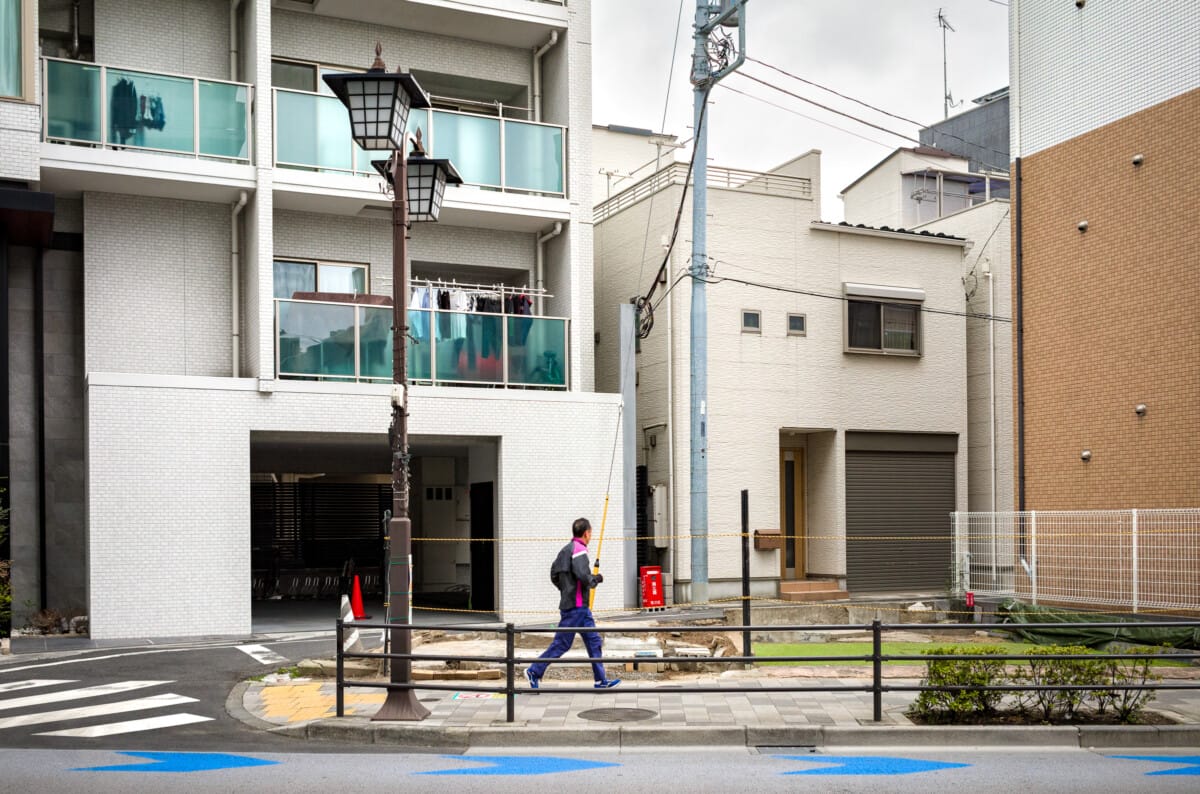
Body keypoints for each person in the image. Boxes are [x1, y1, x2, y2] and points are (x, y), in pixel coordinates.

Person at [525, 517, 621, 690]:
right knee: (562, 644)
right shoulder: (580, 551)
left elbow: (553, 574)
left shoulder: (565, 550)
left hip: (578, 607)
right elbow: (584, 576)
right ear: (586, 533)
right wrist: (596, 579)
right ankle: (534, 670)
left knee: (594, 642)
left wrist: (565, 590)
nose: (591, 536)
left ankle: (600, 680)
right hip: (576, 608)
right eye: (591, 532)